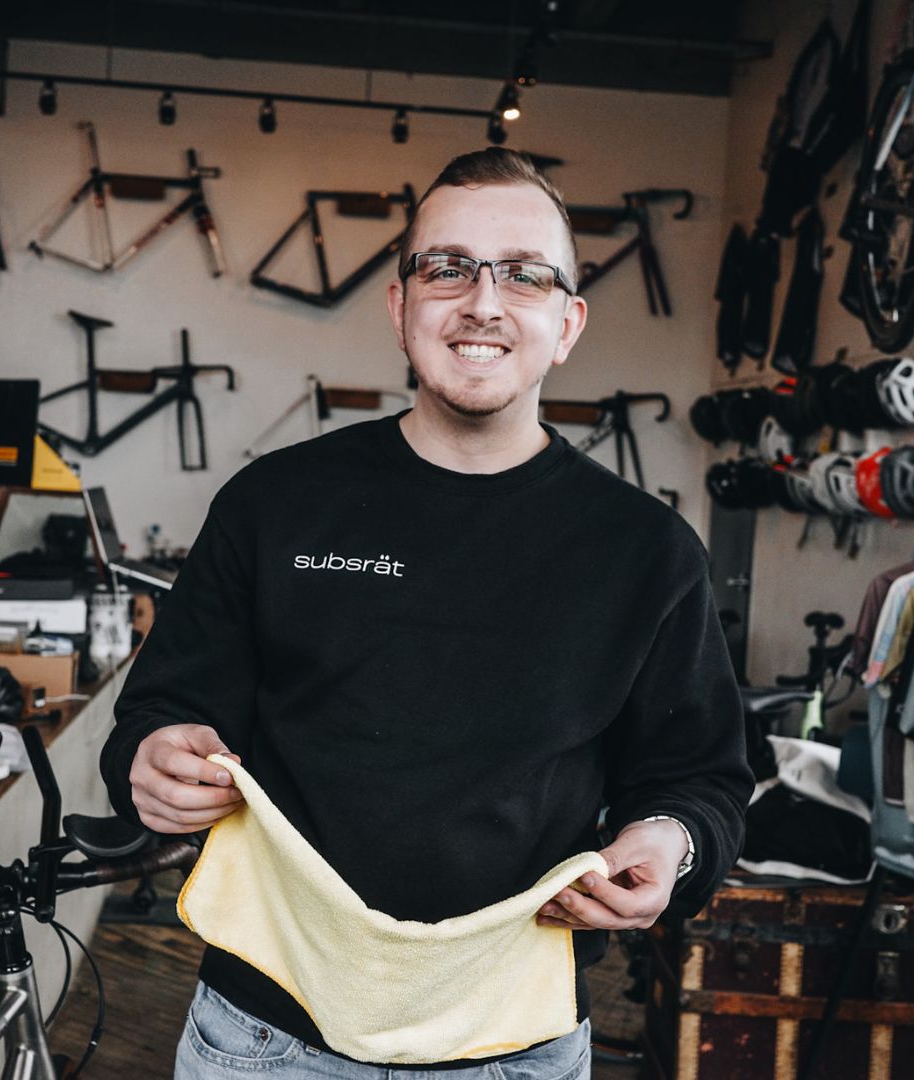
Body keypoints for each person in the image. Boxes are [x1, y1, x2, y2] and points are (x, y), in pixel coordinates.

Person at [100, 148, 753, 1079]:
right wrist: (151, 754)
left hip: (511, 1045)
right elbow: (160, 707)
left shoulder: (648, 553)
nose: (483, 302)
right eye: (447, 268)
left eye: (524, 276)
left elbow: (704, 779)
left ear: (567, 324)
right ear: (401, 307)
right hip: (266, 1038)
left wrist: (672, 843)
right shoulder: (273, 503)